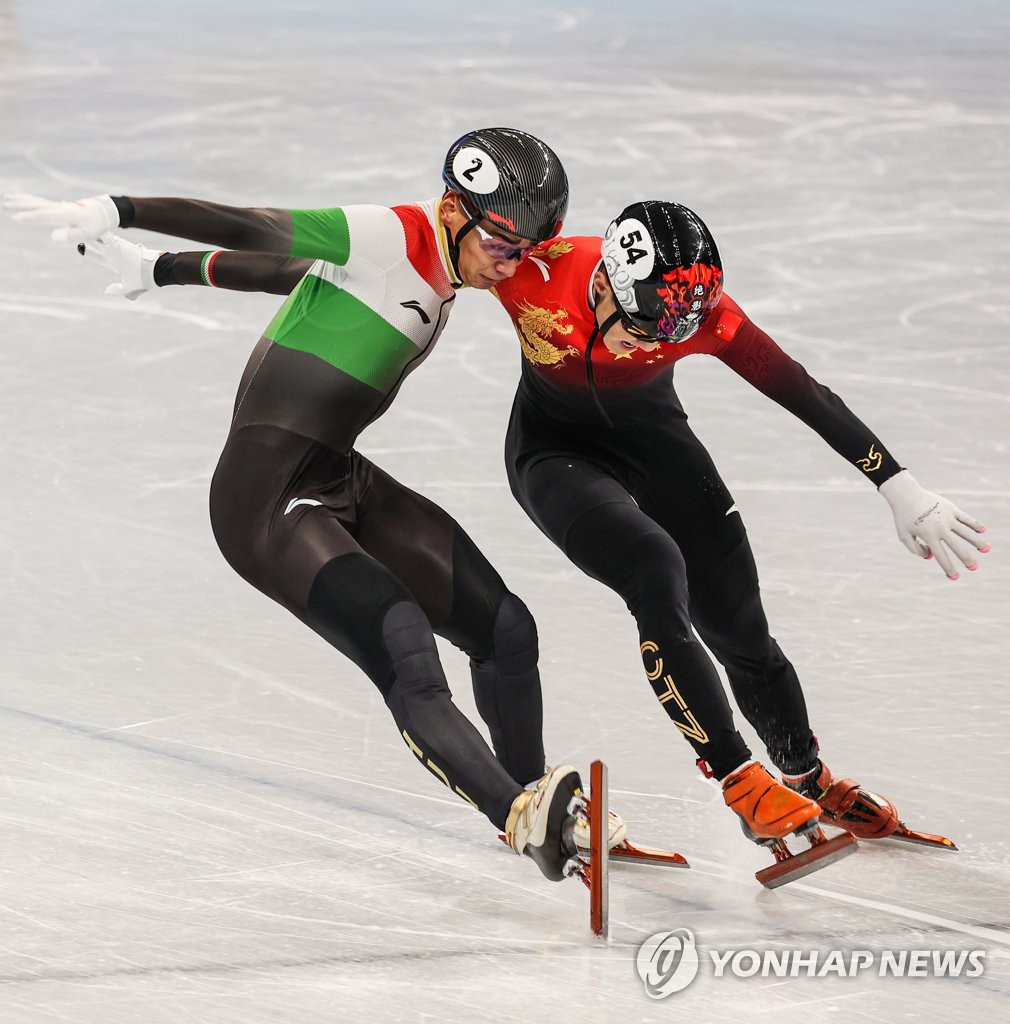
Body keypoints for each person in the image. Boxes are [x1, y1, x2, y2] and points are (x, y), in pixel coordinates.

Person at [1, 127, 585, 883]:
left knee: (505, 629)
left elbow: (291, 272)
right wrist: (124, 209)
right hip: (265, 499)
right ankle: (516, 820)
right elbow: (259, 226)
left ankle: (533, 799)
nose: (512, 263)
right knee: (403, 641)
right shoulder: (386, 233)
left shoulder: (446, 264)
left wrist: (164, 269)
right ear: (450, 209)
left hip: (333, 474)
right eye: (503, 242)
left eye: (528, 249)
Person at [493, 199, 989, 853]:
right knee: (653, 569)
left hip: (655, 444)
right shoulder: (533, 271)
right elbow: (421, 243)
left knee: (740, 626)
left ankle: (808, 780)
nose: (649, 346)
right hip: (553, 458)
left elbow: (801, 391)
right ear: (604, 283)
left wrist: (896, 483)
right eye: (641, 329)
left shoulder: (705, 318)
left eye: (667, 338)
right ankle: (740, 780)